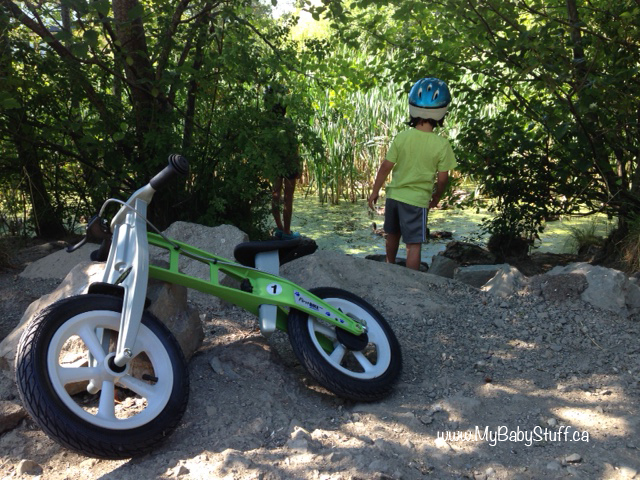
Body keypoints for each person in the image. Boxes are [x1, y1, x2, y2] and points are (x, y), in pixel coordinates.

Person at [367, 77, 457, 270]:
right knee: (413, 244)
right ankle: (412, 282)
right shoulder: (442, 145)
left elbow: (385, 167)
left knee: (392, 235)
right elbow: (443, 179)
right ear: (442, 112)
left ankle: (389, 267)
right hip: (417, 201)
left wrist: (375, 191)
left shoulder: (402, 137)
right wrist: (437, 196)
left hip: (394, 197)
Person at [263, 85, 302, 240]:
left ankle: (279, 228)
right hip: (288, 163)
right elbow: (294, 147)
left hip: (274, 162)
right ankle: (286, 232)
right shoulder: (288, 123)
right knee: (287, 197)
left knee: (275, 194)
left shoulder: (268, 124)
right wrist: (297, 166)